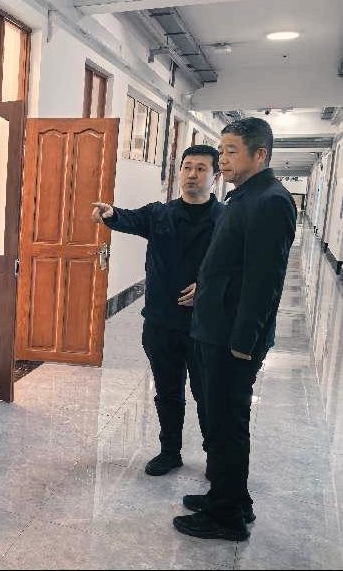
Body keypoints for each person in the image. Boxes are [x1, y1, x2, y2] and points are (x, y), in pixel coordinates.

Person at [174, 118, 296, 541]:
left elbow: (265, 281)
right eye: (221, 150)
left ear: (259, 155)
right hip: (217, 328)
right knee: (222, 420)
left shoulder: (271, 201)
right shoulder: (247, 196)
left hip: (232, 340)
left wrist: (245, 341)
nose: (221, 159)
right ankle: (232, 499)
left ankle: (225, 517)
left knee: (227, 425)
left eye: (230, 151)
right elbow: (233, 264)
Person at [92, 145, 224, 476]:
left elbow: (238, 269)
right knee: (167, 392)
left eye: (201, 169)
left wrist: (207, 289)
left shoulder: (226, 220)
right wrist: (111, 214)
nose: (192, 174)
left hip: (206, 327)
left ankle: (216, 456)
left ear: (216, 176)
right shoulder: (159, 214)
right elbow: (127, 218)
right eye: (187, 167)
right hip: (161, 323)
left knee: (208, 394)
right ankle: (170, 451)